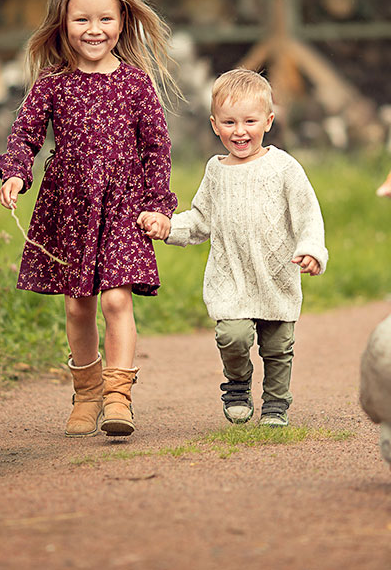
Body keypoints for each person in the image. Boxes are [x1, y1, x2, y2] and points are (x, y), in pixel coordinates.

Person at [0, 0, 181, 438]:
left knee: (116, 301)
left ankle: (119, 395)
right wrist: (17, 174)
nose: (94, 30)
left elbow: (156, 147)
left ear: (122, 21)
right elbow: (25, 136)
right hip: (69, 206)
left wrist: (158, 204)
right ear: (63, 24)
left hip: (124, 204)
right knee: (79, 305)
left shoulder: (137, 84)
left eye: (105, 19)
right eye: (82, 19)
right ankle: (87, 393)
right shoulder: (51, 86)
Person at [138, 68, 328, 427]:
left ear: (268, 121)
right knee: (232, 336)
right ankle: (238, 384)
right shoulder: (216, 171)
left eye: (249, 121)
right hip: (231, 278)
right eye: (229, 122)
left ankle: (275, 403)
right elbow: (199, 220)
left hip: (276, 277)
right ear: (214, 124)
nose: (239, 131)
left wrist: (312, 249)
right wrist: (167, 225)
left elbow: (307, 214)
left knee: (277, 348)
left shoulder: (284, 167)